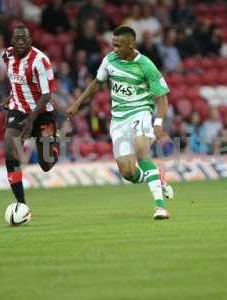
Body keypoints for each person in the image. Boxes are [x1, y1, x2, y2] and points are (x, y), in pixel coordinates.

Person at [67, 26, 173, 220]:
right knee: (128, 173)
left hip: (140, 113)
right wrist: (77, 104)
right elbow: (97, 83)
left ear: (131, 45)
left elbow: (162, 98)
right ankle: (157, 177)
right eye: (112, 44)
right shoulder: (109, 60)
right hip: (118, 120)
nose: (113, 48)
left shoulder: (146, 65)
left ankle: (160, 207)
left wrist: (158, 123)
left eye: (118, 45)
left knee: (142, 152)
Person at [2, 25, 59, 205]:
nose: (21, 42)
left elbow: (47, 94)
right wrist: (12, 96)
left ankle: (54, 145)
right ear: (12, 41)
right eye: (17, 38)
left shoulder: (40, 60)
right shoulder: (7, 56)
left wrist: (31, 119)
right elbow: (16, 81)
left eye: (24, 39)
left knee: (46, 165)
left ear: (30, 40)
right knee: (10, 151)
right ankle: (21, 203)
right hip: (18, 110)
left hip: (42, 113)